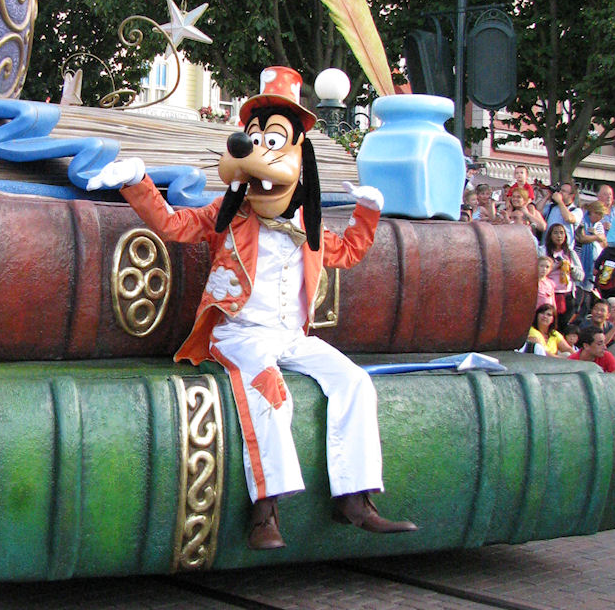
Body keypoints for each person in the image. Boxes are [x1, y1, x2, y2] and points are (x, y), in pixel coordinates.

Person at [87, 64, 417, 548]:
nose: (260, 155)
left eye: (274, 141)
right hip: (238, 333)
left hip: (291, 336)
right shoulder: (230, 216)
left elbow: (347, 252)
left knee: (354, 381)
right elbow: (174, 225)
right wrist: (138, 181)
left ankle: (355, 497)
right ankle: (265, 510)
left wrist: (368, 210)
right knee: (268, 388)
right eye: (255, 139)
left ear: (299, 159)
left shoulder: (306, 224)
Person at [542, 222, 583, 318]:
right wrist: (556, 266)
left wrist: (570, 267)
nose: (559, 236)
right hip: (548, 294)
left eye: (561, 233)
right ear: (550, 235)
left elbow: (580, 276)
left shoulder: (570, 253)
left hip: (567, 294)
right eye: (555, 233)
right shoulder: (543, 251)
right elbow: (538, 272)